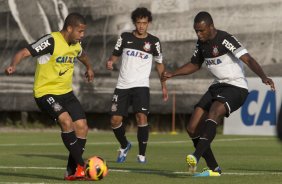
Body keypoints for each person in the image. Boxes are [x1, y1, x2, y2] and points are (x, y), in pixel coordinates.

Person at [162, 11, 275, 177]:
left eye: (201, 30)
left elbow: (248, 59)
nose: (198, 34)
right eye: (196, 31)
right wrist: (174, 73)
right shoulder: (201, 44)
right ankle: (214, 169)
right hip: (217, 87)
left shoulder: (225, 39)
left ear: (210, 27)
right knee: (192, 127)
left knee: (215, 111)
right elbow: (195, 64)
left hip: (236, 87)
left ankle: (195, 156)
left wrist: (263, 76)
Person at [5, 13, 94, 180]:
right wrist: (12, 65)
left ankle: (72, 171)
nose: (82, 35)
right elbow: (23, 52)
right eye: (80, 31)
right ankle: (82, 165)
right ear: (69, 28)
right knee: (66, 121)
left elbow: (82, 55)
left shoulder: (76, 44)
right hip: (45, 92)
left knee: (82, 127)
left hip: (66, 93)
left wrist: (89, 68)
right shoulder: (51, 41)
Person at [106, 7, 168, 163]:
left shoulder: (154, 42)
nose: (141, 26)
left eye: (144, 23)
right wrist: (111, 62)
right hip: (122, 85)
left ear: (149, 23)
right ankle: (124, 145)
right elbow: (115, 55)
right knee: (115, 120)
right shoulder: (125, 37)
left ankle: (141, 155)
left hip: (141, 85)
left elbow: (159, 65)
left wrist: (163, 85)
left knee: (141, 118)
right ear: (134, 23)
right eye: (139, 23)